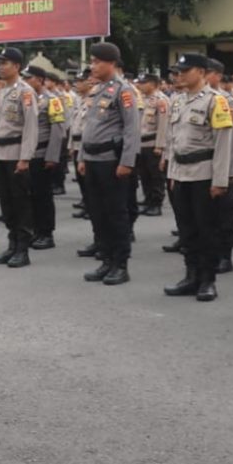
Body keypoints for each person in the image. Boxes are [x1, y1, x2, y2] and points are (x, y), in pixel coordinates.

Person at [160, 53, 233, 302]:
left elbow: (223, 143)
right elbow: (173, 139)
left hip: (204, 174)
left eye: (185, 70)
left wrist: (220, 180)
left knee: (207, 230)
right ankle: (191, 275)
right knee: (187, 229)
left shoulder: (217, 101)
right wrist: (171, 172)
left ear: (202, 72)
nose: (179, 75)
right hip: (181, 174)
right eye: (178, 71)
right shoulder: (178, 101)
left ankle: (207, 280)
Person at [78, 42, 141, 285]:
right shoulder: (96, 90)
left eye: (97, 62)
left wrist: (127, 162)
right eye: (91, 61)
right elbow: (89, 127)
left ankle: (120, 264)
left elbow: (131, 129)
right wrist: (83, 157)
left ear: (111, 63)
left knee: (116, 214)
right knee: (98, 213)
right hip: (92, 159)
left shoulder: (123, 90)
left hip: (111, 161)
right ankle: (106, 260)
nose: (92, 66)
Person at [0, 47, 38, 267]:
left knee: (20, 203)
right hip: (1, 153)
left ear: (17, 66)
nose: (0, 66)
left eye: (5, 63)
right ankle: (12, 244)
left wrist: (25, 158)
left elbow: (30, 127)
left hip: (17, 153)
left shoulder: (25, 92)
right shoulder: (1, 91)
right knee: (6, 203)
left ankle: (23, 249)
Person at [25, 63, 67, 256]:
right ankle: (35, 230)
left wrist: (52, 156)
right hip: (29, 155)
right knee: (31, 196)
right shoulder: (29, 98)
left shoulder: (52, 100)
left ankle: (47, 233)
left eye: (29, 78)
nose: (26, 82)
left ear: (39, 80)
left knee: (43, 197)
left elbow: (58, 131)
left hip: (43, 154)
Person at [134, 74, 169, 216]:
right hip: (141, 143)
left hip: (153, 143)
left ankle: (156, 203)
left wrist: (160, 146)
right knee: (144, 175)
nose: (140, 85)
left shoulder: (161, 100)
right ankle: (148, 200)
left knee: (155, 176)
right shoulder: (142, 100)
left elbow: (163, 125)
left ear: (153, 84)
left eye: (144, 83)